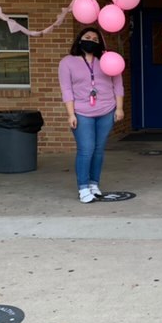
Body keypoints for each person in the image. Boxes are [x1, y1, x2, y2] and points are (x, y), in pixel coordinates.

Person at [59, 27, 125, 203]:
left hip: (106, 111)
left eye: (95, 39)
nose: (91, 40)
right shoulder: (67, 62)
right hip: (81, 112)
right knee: (86, 149)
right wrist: (70, 114)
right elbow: (66, 89)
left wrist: (119, 108)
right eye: (87, 37)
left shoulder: (108, 60)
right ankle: (83, 188)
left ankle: (94, 184)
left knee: (98, 150)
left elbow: (118, 85)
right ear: (79, 40)